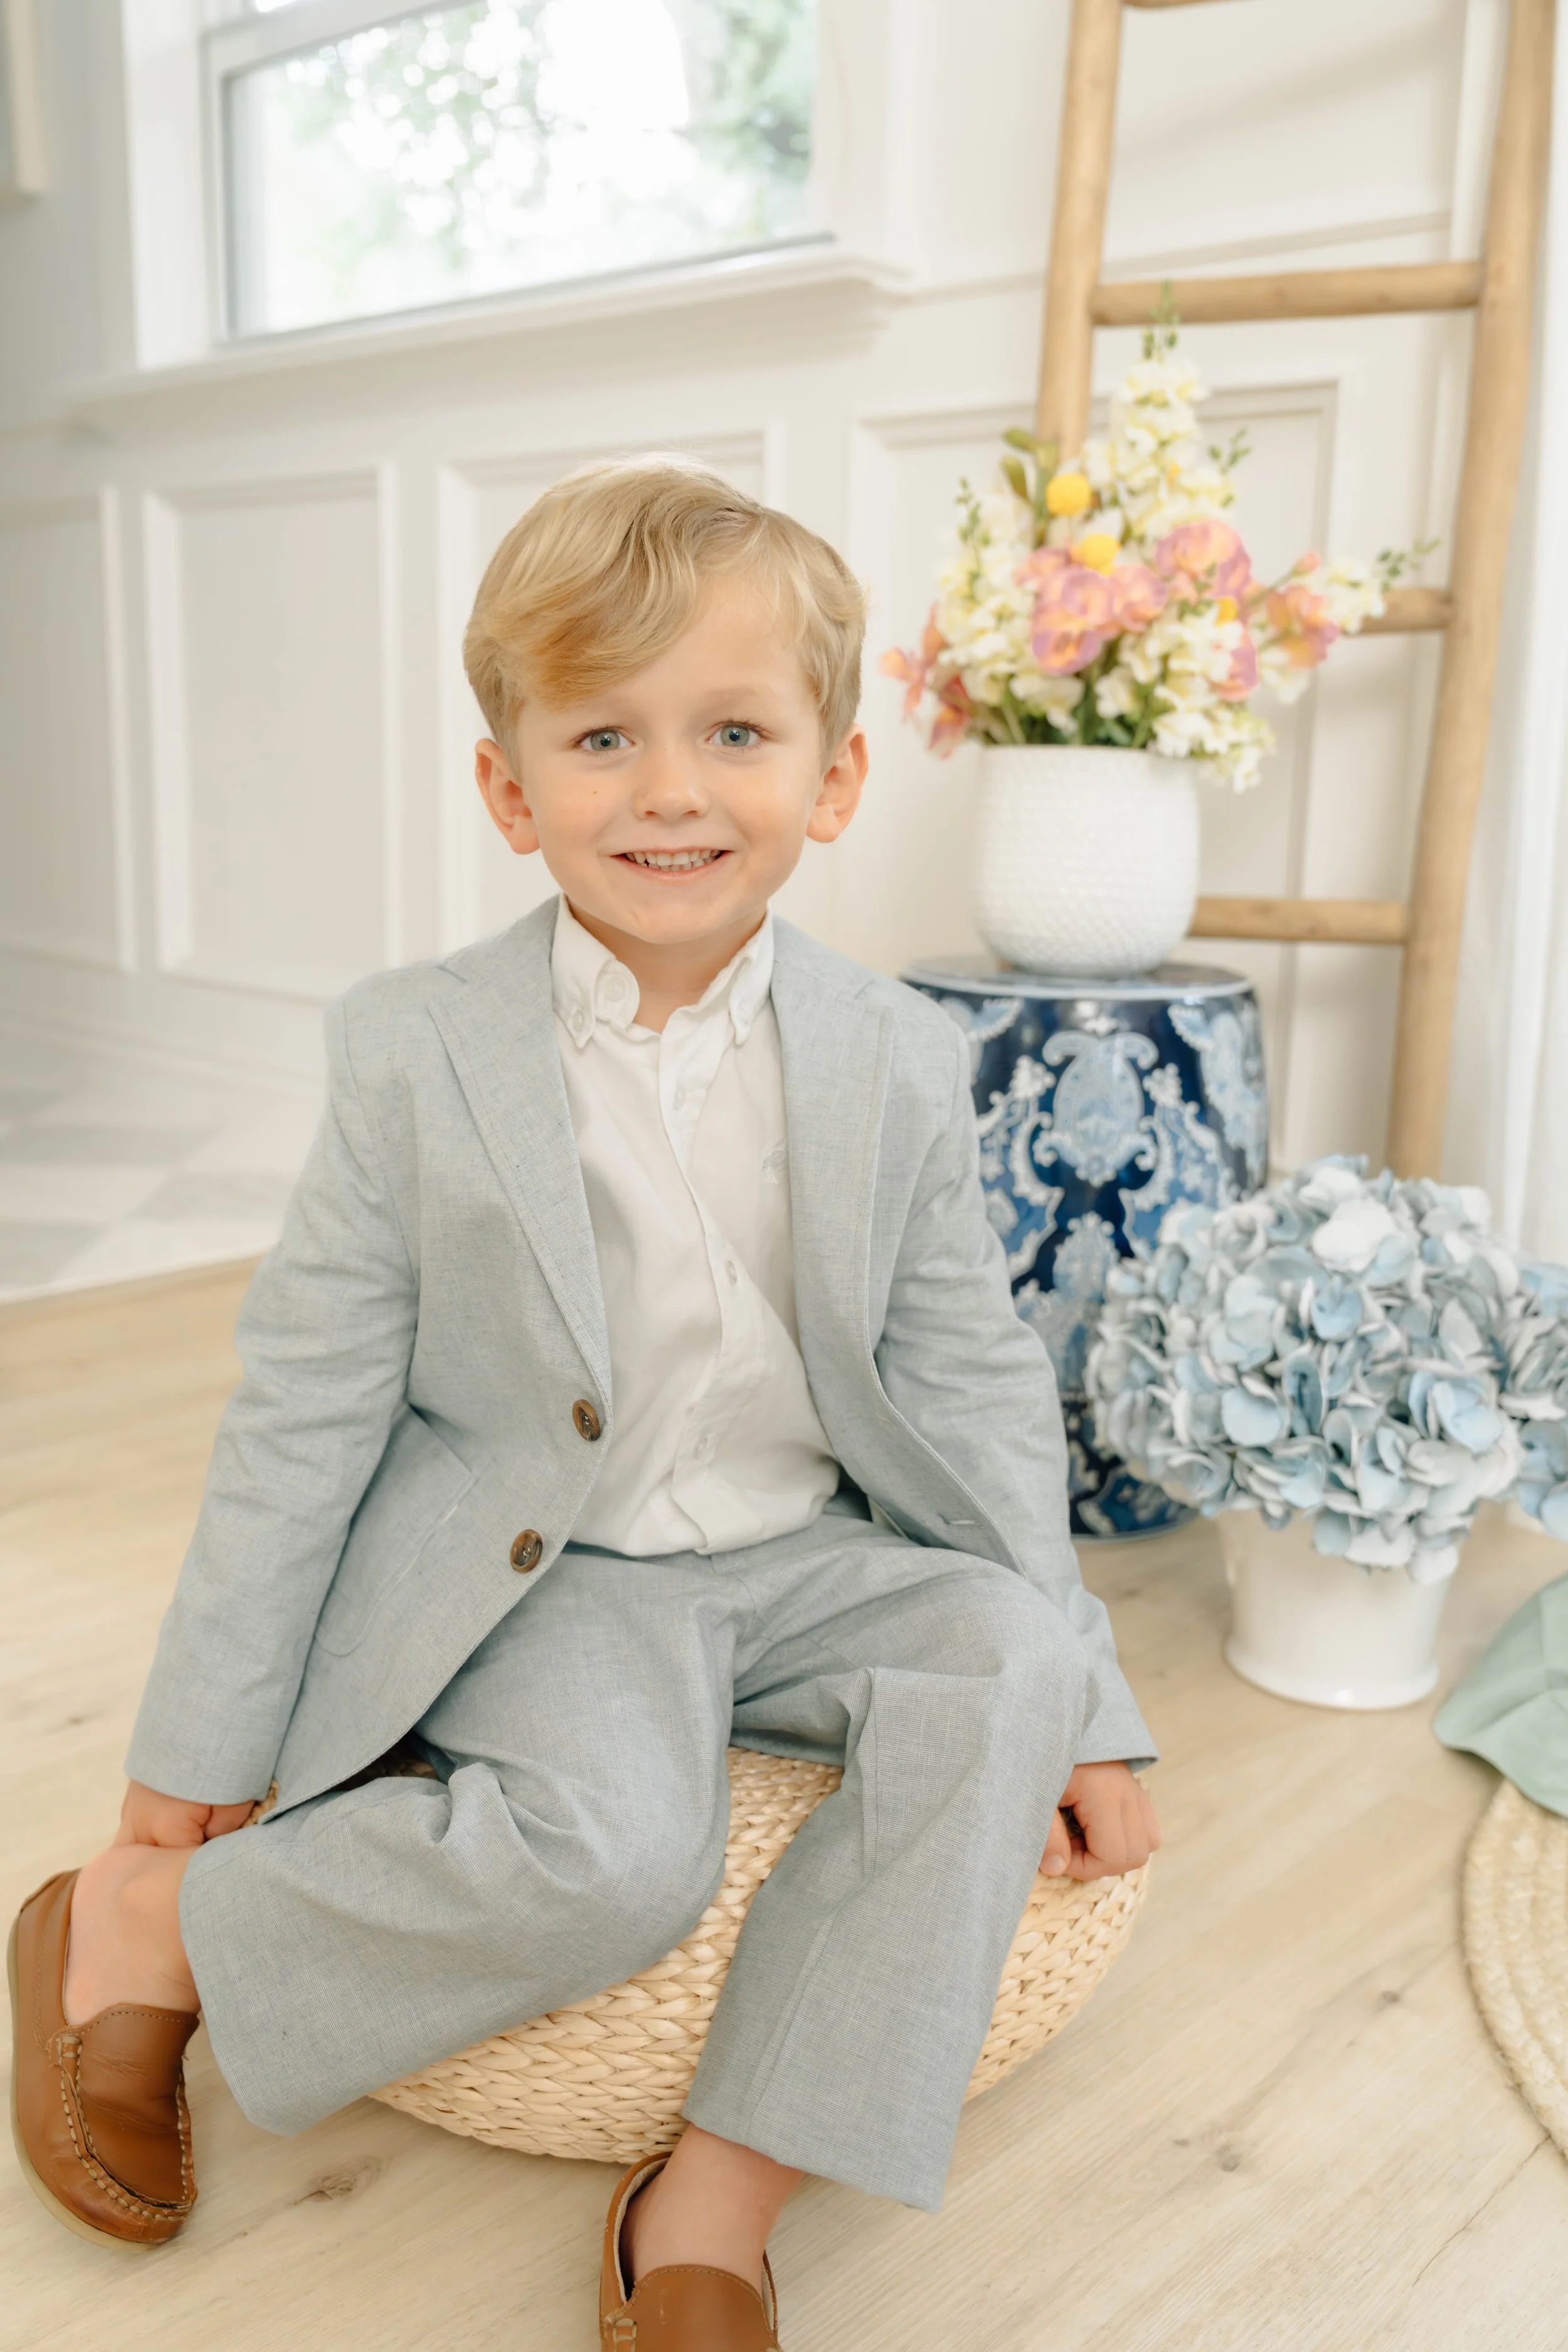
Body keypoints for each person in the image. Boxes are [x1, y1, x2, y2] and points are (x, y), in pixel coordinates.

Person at [9, 460, 1159, 2347]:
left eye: (732, 731)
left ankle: (711, 2193)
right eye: (603, 735)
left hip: (809, 1546)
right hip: (566, 1570)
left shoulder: (898, 1054)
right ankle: (140, 1930)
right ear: (510, 786)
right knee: (619, 1856)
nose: (671, 789)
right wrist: (197, 1741)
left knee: (1001, 1666)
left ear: (835, 776)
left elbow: (966, 1380)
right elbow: (302, 1400)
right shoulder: (415, 1049)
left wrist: (1080, 1685)